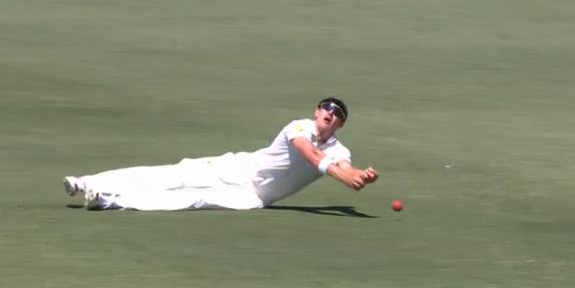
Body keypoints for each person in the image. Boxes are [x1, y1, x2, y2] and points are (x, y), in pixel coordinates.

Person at [63, 97, 379, 211]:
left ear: (340, 123)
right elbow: (312, 157)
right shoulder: (298, 127)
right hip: (239, 168)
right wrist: (347, 178)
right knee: (174, 176)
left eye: (337, 112)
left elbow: (346, 169)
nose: (330, 112)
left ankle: (106, 199)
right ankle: (85, 182)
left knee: (189, 201)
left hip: (254, 197)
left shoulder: (339, 150)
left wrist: (359, 177)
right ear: (316, 111)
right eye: (326, 107)